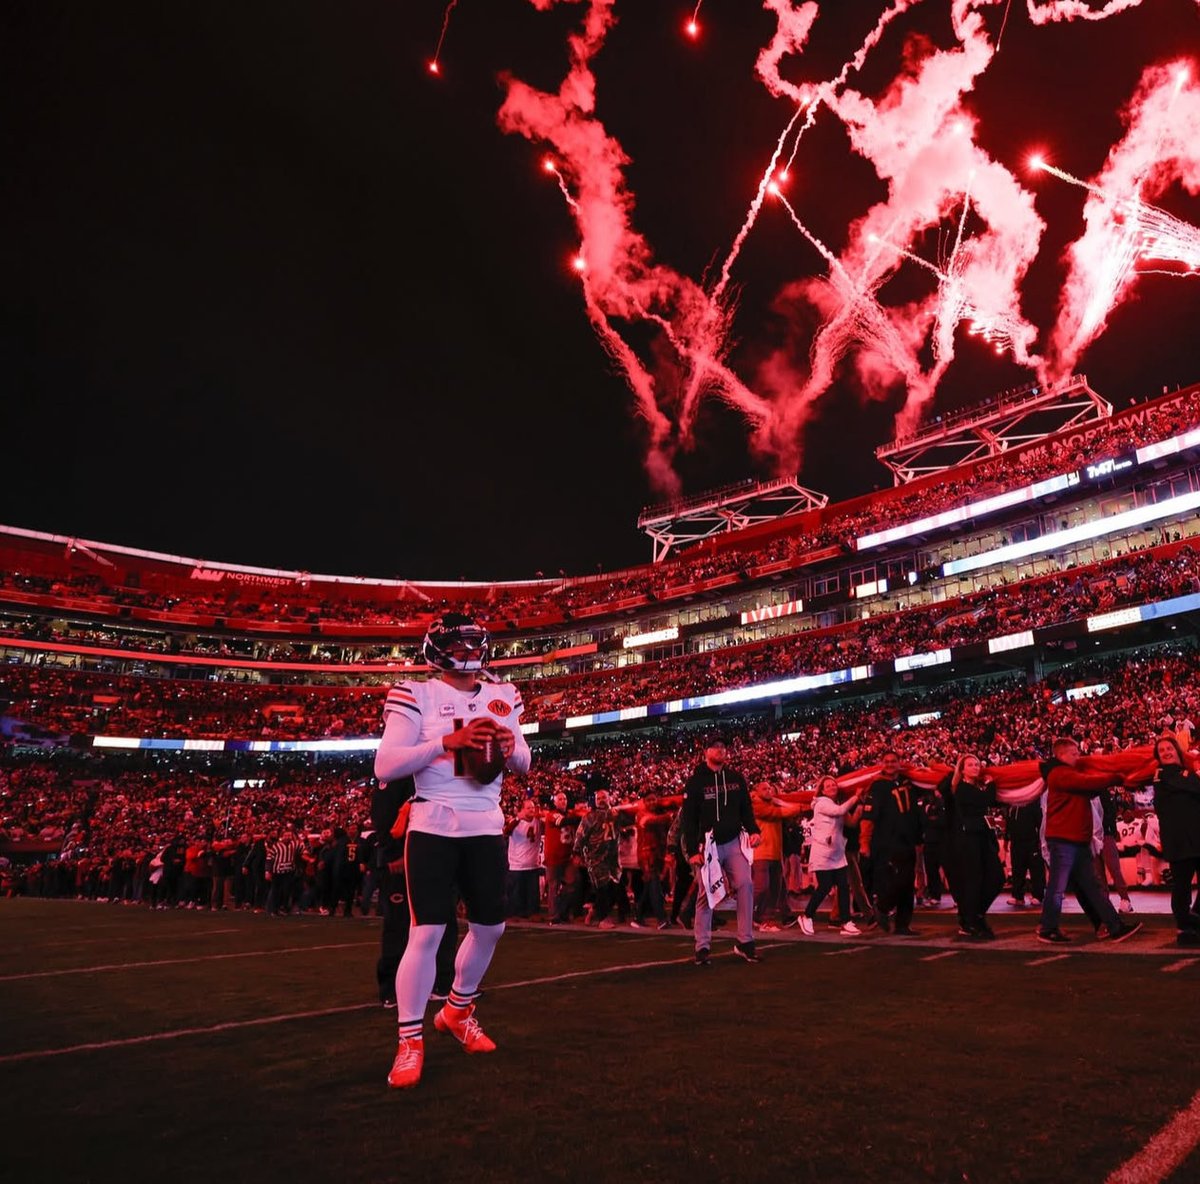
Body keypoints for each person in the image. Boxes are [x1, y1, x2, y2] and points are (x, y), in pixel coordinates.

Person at [375, 613, 531, 1090]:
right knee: (426, 933)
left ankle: (458, 1010)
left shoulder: (503, 694)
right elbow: (386, 763)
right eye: (459, 645)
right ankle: (409, 1040)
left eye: (473, 644)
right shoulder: (415, 694)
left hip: (486, 822)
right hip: (434, 819)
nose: (468, 653)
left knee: (491, 927)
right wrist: (447, 740)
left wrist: (508, 745)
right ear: (439, 649)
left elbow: (524, 761)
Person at [1036, 738, 1142, 945]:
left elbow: (1089, 787)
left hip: (1074, 839)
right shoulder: (1059, 774)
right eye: (1074, 753)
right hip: (1065, 840)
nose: (1079, 756)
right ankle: (1048, 927)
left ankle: (1114, 926)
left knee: (1090, 886)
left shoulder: (1063, 775)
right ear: (1061, 755)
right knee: (1058, 887)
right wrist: (1117, 777)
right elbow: (1087, 784)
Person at [370, 776, 457, 1007]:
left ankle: (441, 982)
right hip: (406, 855)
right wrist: (392, 851)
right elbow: (383, 810)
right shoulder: (399, 767)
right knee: (399, 924)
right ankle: (392, 988)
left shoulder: (438, 762)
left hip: (437, 853)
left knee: (443, 920)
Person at [680, 739, 762, 965]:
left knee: (746, 885)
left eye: (723, 747)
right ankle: (702, 946)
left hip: (734, 841)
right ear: (705, 752)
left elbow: (746, 808)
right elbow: (688, 819)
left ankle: (746, 941)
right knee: (706, 894)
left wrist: (754, 830)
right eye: (715, 747)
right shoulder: (696, 782)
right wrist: (691, 850)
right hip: (708, 845)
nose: (720, 750)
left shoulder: (736, 778)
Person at [944, 754, 1004, 941]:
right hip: (968, 841)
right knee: (974, 881)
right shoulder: (961, 789)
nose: (975, 767)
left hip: (982, 839)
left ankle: (974, 915)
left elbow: (987, 805)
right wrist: (992, 783)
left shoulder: (975, 788)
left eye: (977, 764)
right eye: (970, 765)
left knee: (995, 878)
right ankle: (971, 919)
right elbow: (985, 800)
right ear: (961, 770)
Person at [864, 751, 923, 935]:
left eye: (893, 761)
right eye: (886, 761)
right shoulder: (877, 786)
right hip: (887, 842)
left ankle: (903, 924)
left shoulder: (908, 782)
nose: (890, 764)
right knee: (896, 881)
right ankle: (882, 907)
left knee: (907, 884)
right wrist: (864, 842)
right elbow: (868, 817)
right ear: (882, 763)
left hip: (908, 840)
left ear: (899, 763)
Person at [797, 776, 866, 937]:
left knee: (843, 886)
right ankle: (807, 916)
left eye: (833, 784)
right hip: (823, 853)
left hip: (836, 852)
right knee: (825, 886)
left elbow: (849, 822)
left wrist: (859, 806)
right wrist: (856, 796)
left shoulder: (834, 803)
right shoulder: (821, 804)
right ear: (822, 790)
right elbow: (839, 812)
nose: (831, 787)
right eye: (827, 786)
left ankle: (846, 922)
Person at [1149, 735, 1200, 946]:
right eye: (1162, 750)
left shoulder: (1186, 773)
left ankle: (1193, 920)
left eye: (1170, 748)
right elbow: (1193, 786)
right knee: (1181, 886)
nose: (1167, 752)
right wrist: (1192, 775)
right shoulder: (1161, 775)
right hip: (1178, 840)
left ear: (1178, 751)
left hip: (1197, 836)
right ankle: (1184, 927)